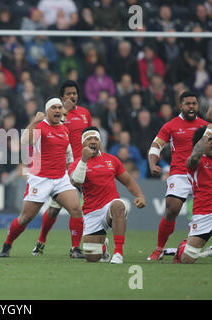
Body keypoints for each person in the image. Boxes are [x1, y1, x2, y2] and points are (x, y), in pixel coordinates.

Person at [0, 97, 83, 258]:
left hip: (60, 179)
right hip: (40, 179)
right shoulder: (41, 126)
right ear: (47, 111)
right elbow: (24, 141)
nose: (57, 110)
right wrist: (33, 122)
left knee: (76, 209)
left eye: (59, 107)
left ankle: (75, 249)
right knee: (25, 218)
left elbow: (68, 153)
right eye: (54, 108)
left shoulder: (65, 129)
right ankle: (7, 243)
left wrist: (71, 170)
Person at [32, 80, 91, 258]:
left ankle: (78, 247)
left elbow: (91, 136)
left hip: (85, 164)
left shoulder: (84, 114)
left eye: (74, 93)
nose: (72, 96)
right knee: (56, 208)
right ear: (62, 97)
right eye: (68, 94)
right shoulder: (58, 115)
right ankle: (42, 241)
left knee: (81, 207)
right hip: (67, 167)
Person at [147, 91, 208, 260]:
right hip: (180, 173)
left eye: (194, 103)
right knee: (172, 207)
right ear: (180, 106)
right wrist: (153, 163)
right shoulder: (171, 125)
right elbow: (155, 146)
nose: (191, 107)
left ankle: (191, 243)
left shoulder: (205, 126)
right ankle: (159, 249)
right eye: (187, 104)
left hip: (201, 172)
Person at [68, 130, 146, 264]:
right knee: (92, 258)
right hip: (91, 212)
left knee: (118, 205)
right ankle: (104, 247)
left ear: (100, 142)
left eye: (96, 139)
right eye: (89, 139)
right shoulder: (76, 164)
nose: (93, 141)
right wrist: (83, 160)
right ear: (83, 143)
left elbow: (127, 180)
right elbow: (76, 182)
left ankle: (118, 253)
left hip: (109, 207)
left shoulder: (111, 160)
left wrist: (140, 195)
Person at [173, 124, 212, 264]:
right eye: (209, 140)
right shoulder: (195, 162)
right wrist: (206, 134)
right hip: (204, 213)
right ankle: (184, 247)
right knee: (187, 259)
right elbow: (194, 157)